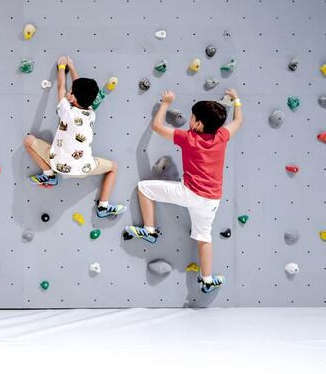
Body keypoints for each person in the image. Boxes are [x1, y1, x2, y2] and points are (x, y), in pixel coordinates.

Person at [124, 89, 243, 293]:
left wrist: (166, 102)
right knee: (204, 238)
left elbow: (156, 127)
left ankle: (149, 230)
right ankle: (206, 280)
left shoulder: (188, 138)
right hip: (212, 199)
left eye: (192, 116)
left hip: (189, 193)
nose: (190, 119)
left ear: (198, 124)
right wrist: (237, 100)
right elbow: (238, 122)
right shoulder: (222, 136)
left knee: (144, 188)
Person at [23, 56, 127, 218]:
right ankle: (103, 207)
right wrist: (71, 66)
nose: (68, 93)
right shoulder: (91, 114)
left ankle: (49, 175)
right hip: (84, 168)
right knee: (113, 167)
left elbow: (60, 86)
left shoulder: (66, 110)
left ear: (72, 97)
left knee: (28, 141)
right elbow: (74, 90)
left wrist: (62, 67)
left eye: (71, 93)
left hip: (57, 164)